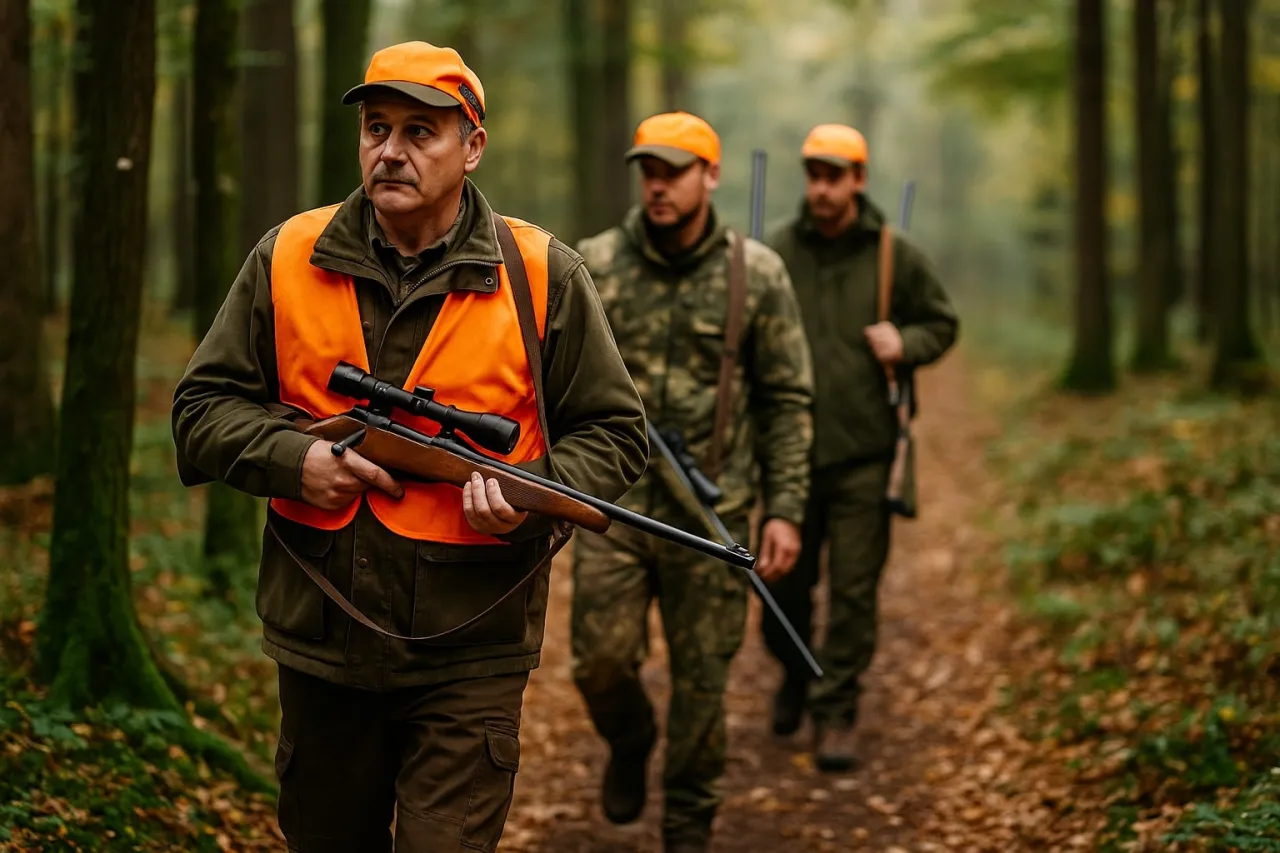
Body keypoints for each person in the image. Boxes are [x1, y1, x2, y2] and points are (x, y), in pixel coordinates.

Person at [170, 41, 648, 853]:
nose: (390, 151)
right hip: (322, 642)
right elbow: (200, 409)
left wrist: (526, 499)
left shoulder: (541, 274)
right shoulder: (286, 255)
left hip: (471, 648)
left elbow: (615, 434)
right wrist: (297, 458)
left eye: (420, 132)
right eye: (377, 128)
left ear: (472, 147)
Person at [570, 111, 815, 853]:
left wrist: (786, 511)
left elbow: (788, 399)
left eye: (674, 170)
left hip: (716, 516)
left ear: (710, 175)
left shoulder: (758, 273)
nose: (657, 184)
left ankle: (686, 830)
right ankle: (630, 737)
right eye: (648, 168)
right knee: (600, 661)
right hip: (612, 506)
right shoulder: (594, 263)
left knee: (703, 688)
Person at [762, 123, 959, 772]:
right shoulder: (777, 251)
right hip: (787, 456)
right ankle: (795, 671)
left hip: (865, 454)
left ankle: (836, 710)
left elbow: (941, 322)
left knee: (852, 592)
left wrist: (906, 342)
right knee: (781, 591)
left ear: (859, 180)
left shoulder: (892, 256)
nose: (821, 187)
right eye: (813, 174)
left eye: (835, 175)